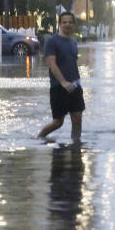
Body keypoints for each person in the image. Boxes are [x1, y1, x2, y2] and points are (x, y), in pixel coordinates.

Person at [37, 12, 84, 141]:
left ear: (73, 24)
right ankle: (39, 138)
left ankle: (76, 144)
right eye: (64, 22)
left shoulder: (73, 43)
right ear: (59, 24)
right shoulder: (52, 41)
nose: (67, 25)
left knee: (77, 118)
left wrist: (77, 82)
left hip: (75, 86)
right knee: (58, 122)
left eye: (70, 22)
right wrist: (63, 82)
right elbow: (52, 64)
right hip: (58, 87)